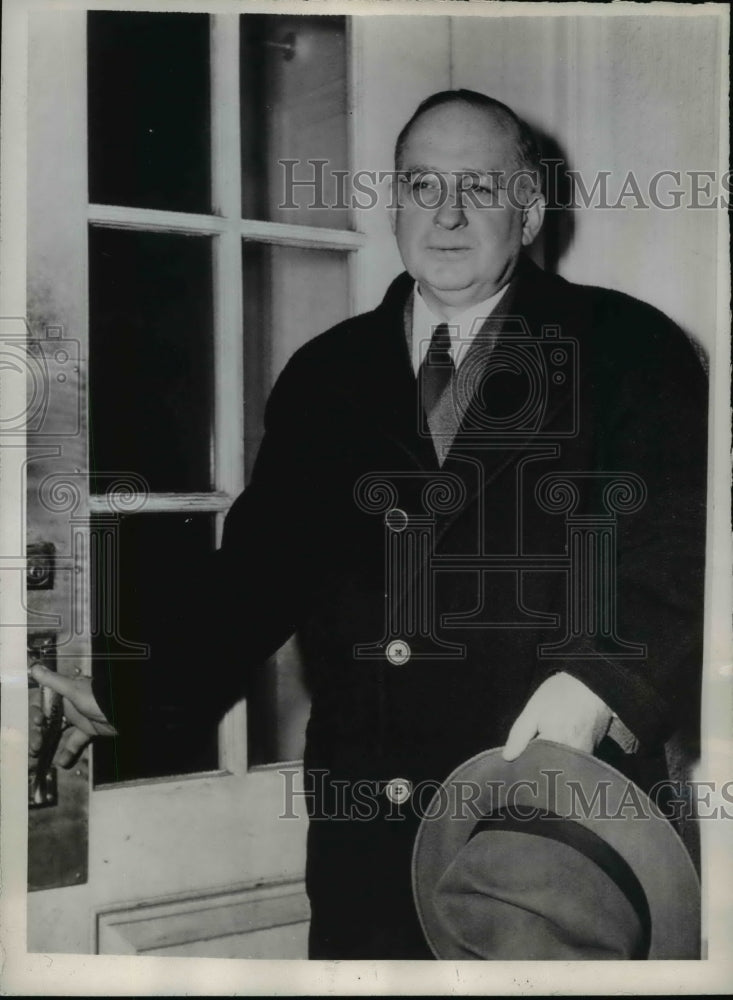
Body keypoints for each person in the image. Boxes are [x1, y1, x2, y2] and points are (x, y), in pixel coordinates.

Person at [31, 90, 708, 959]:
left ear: (530, 209)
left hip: (552, 833)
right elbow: (255, 574)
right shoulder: (329, 372)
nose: (449, 214)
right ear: (393, 203)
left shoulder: (626, 348)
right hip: (367, 841)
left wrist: (599, 687)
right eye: (424, 186)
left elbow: (677, 547)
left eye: (481, 187)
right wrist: (123, 684)